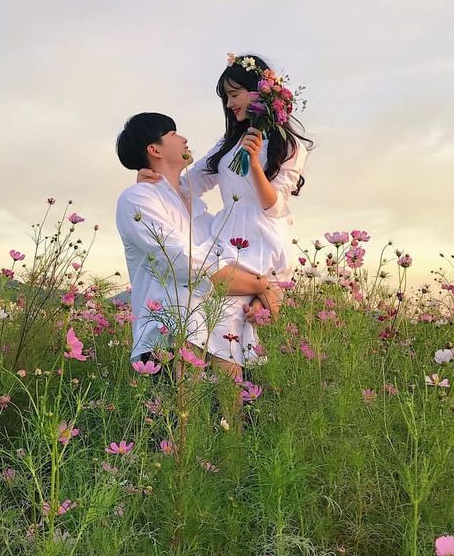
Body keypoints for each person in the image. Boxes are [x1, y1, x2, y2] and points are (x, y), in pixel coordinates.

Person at [138, 54, 312, 367]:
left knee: (229, 327)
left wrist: (256, 165)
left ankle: (234, 410)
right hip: (227, 235)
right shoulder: (228, 142)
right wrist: (154, 179)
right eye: (227, 98)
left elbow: (276, 206)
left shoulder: (288, 146)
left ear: (260, 92)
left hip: (262, 238)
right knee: (218, 323)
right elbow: (191, 183)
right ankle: (216, 410)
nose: (230, 105)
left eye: (234, 95)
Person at [116, 112, 282, 380]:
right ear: (154, 149)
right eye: (173, 134)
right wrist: (261, 286)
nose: (184, 138)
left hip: (221, 342)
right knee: (180, 421)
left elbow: (227, 259)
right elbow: (185, 263)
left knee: (236, 420)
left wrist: (262, 293)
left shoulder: (198, 207)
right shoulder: (137, 199)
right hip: (169, 341)